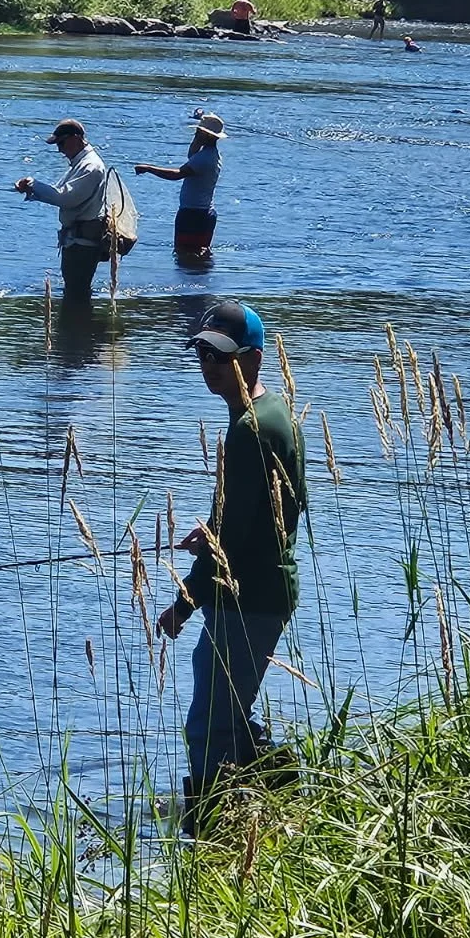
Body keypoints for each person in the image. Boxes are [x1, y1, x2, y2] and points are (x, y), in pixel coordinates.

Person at [157, 300, 308, 832]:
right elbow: (254, 519)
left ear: (253, 358)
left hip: (249, 600)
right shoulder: (267, 414)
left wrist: (183, 601)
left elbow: (235, 538)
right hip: (257, 594)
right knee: (226, 709)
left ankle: (207, 830)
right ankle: (280, 796)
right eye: (203, 354)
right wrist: (216, 538)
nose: (210, 366)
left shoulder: (252, 430)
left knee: (207, 725)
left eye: (222, 356)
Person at [15, 118, 116, 303]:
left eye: (61, 143)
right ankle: (78, 327)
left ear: (76, 138)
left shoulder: (91, 166)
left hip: (83, 243)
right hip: (76, 240)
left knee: (76, 293)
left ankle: (78, 328)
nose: (59, 149)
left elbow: (65, 198)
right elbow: (60, 192)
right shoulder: (81, 163)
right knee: (74, 291)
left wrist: (33, 183)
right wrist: (32, 188)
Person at [134, 112, 225, 262]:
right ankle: (200, 280)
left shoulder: (204, 159)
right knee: (198, 256)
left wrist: (149, 168)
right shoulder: (210, 154)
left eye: (199, 131)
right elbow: (191, 155)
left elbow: (177, 174)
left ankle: (193, 282)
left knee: (184, 255)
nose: (196, 133)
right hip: (202, 212)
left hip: (193, 214)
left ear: (207, 136)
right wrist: (198, 138)